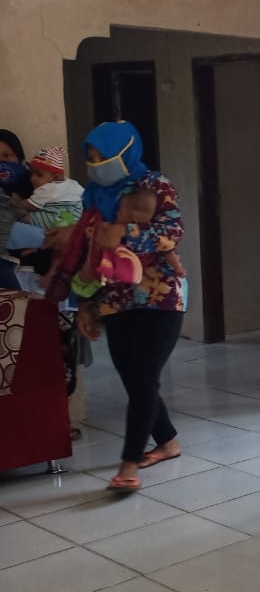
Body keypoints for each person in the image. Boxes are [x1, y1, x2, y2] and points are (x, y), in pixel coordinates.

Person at [61, 122, 187, 492]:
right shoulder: (93, 197)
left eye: (101, 157)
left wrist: (127, 232)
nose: (95, 165)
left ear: (124, 152)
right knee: (133, 378)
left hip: (160, 295)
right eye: (90, 158)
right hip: (114, 299)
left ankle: (129, 463)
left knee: (144, 375)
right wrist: (85, 304)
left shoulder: (154, 184)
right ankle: (168, 442)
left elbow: (172, 232)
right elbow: (89, 252)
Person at [17, 146, 84, 230]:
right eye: (32, 173)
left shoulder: (47, 188)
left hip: (57, 218)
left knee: (24, 218)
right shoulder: (72, 183)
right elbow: (83, 195)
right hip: (75, 217)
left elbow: (31, 205)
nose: (33, 178)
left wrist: (15, 204)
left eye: (39, 175)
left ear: (56, 177)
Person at [0, 129, 32, 289]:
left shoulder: (42, 188)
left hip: (36, 278)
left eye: (7, 156)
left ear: (20, 159)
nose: (2, 163)